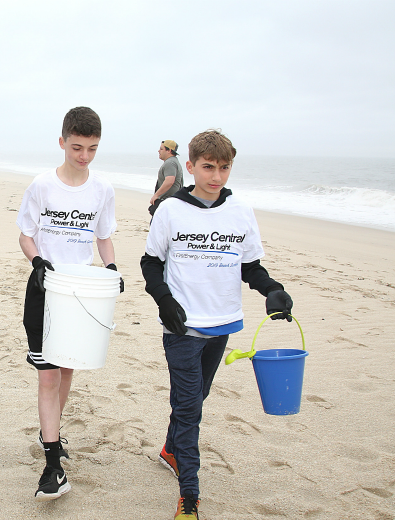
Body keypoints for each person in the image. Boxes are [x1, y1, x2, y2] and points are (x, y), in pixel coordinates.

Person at [140, 130, 294, 519]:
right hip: (181, 328)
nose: (217, 176)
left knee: (195, 398)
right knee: (191, 409)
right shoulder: (171, 210)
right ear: (190, 166)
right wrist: (165, 300)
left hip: (222, 324)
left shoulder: (240, 211)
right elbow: (151, 263)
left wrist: (272, 290)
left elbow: (250, 267)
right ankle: (188, 498)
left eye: (224, 168)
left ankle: (170, 449)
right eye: (208, 167)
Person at [16, 107, 121, 501]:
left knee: (66, 371)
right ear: (62, 142)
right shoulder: (42, 186)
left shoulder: (103, 190)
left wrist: (112, 268)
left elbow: (104, 237)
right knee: (47, 375)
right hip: (45, 288)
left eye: (92, 149)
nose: (84, 157)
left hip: (82, 291)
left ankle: (52, 436)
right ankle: (52, 463)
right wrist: (37, 259)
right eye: (77, 148)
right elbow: (26, 235)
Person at [148, 139, 183, 217]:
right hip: (170, 201)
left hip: (168, 201)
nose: (158, 151)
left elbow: (169, 181)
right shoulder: (173, 162)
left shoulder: (170, 163)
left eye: (161, 149)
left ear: (169, 150)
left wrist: (156, 195)